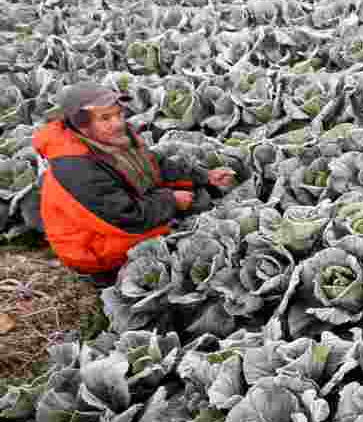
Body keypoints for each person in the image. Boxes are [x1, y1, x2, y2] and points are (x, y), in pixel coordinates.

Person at [31, 81, 236, 286]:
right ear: (80, 123)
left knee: (198, 199)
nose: (118, 123)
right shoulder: (75, 168)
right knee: (184, 239)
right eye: (105, 118)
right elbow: (126, 218)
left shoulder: (111, 136)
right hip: (94, 245)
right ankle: (109, 278)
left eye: (118, 114)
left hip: (125, 212)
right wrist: (171, 201)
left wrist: (204, 175)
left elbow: (153, 164)